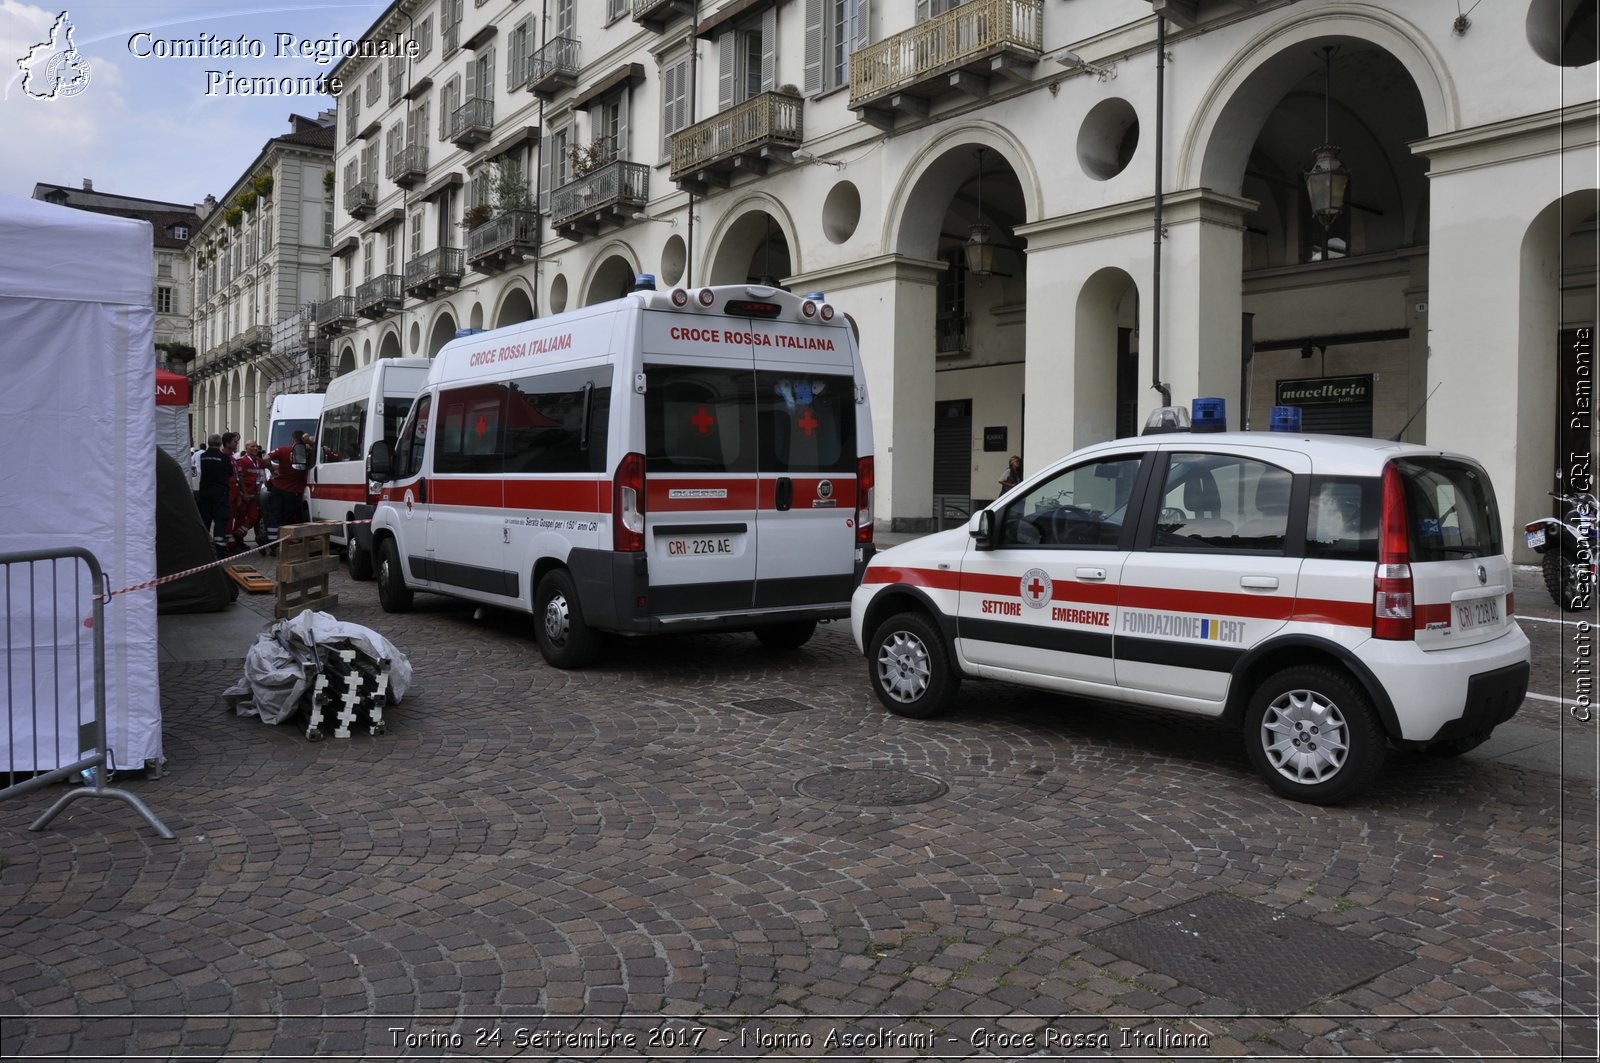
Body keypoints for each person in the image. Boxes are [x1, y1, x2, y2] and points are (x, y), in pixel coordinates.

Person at [265, 430, 314, 551]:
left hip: (277, 487)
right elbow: (320, 449)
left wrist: (272, 470)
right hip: (292, 491)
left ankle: (271, 544)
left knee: (275, 516)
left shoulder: (283, 450)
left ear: (292, 440)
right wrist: (309, 442)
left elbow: (265, 458)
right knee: (288, 518)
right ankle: (285, 543)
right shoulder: (307, 452)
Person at [196, 433, 233, 552]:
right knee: (220, 519)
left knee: (205, 518)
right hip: (219, 492)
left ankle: (204, 545)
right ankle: (219, 545)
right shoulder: (224, 457)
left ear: (208, 443)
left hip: (205, 491)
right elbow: (230, 473)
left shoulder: (202, 456)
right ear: (220, 443)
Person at [229, 440, 268, 549]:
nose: (256, 448)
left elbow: (267, 467)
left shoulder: (259, 461)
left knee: (254, 516)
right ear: (246, 448)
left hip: (254, 495)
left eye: (256, 446)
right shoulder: (242, 461)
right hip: (244, 495)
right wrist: (243, 494)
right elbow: (240, 478)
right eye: (252, 446)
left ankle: (238, 534)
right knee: (240, 518)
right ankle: (236, 543)